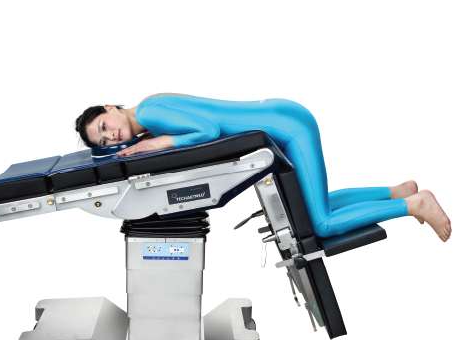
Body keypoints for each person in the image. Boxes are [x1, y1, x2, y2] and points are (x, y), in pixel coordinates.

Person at [75, 93, 451, 242]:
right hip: (281, 117)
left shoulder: (149, 114)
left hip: (288, 127)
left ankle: (414, 205)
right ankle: (397, 192)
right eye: (103, 141)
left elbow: (209, 131)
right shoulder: (149, 114)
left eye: (104, 127)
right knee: (317, 204)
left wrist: (156, 144)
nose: (110, 137)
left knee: (321, 224)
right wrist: (152, 141)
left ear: (110, 107)